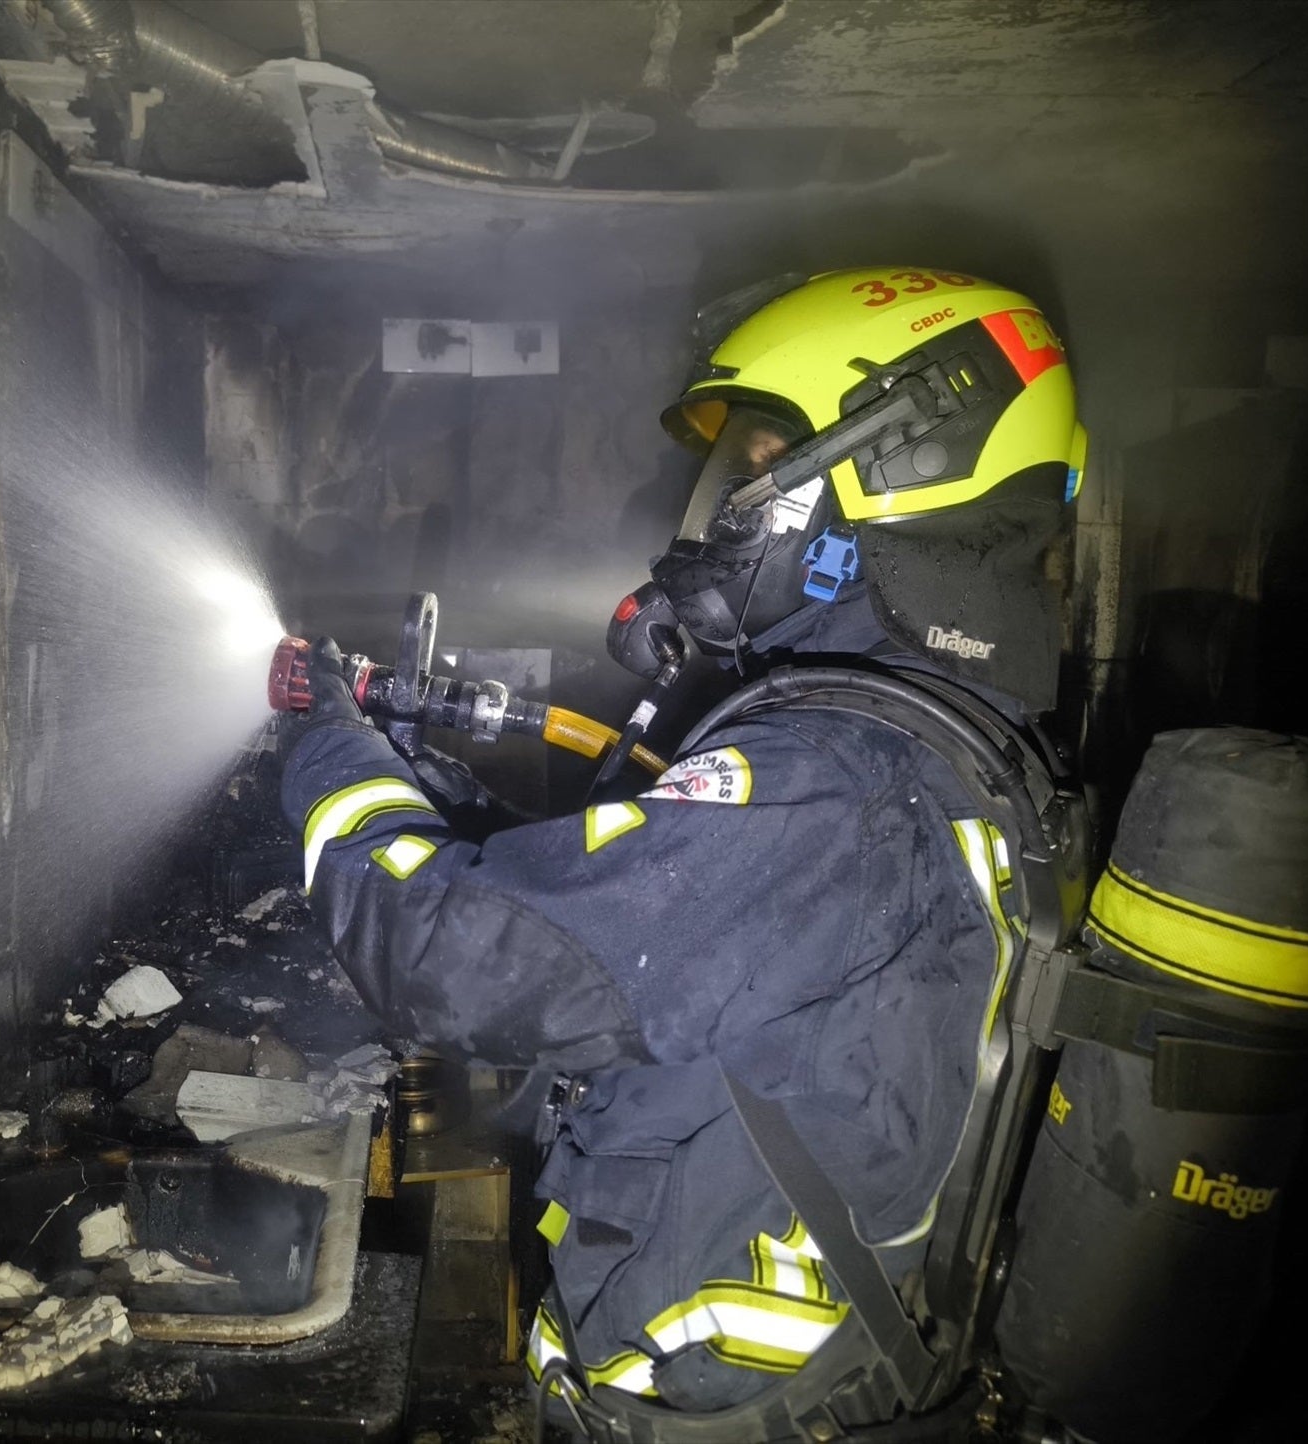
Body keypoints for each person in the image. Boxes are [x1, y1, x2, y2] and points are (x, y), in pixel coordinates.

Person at [278, 269, 1088, 1430]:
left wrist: (325, 753)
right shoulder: (920, 746)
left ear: (901, 473)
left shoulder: (835, 782)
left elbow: (453, 960)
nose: (722, 507)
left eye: (758, 463)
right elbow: (634, 905)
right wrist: (432, 789)